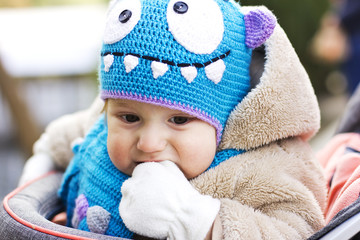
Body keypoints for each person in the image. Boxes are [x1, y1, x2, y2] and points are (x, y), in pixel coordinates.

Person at [19, 0, 327, 239]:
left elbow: (299, 229)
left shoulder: (260, 168)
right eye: (129, 117)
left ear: (228, 118)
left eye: (179, 120)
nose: (149, 143)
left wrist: (192, 219)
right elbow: (66, 134)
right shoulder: (101, 129)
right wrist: (40, 164)